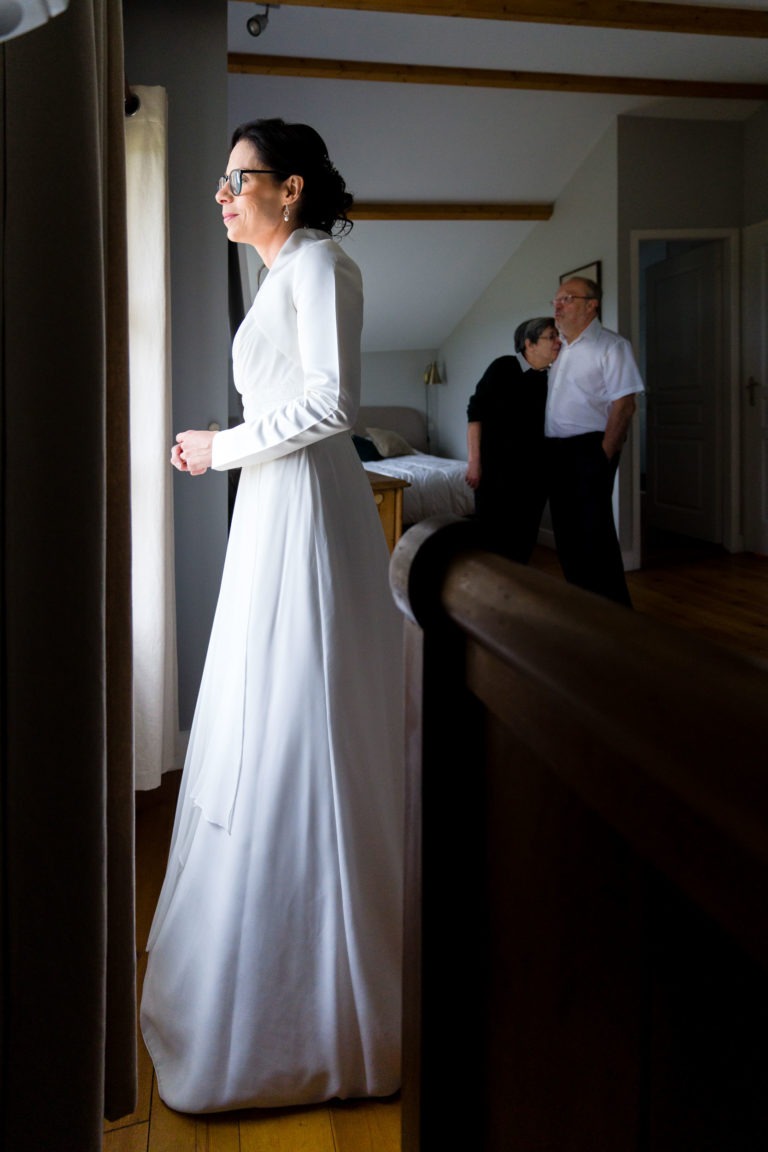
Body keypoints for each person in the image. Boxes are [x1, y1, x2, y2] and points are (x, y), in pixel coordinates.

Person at [140, 119, 404, 1114]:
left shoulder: (321, 265)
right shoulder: (278, 272)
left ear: (289, 189)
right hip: (272, 505)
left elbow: (334, 406)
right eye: (220, 180)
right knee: (261, 713)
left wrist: (221, 446)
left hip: (305, 508)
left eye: (236, 179)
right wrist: (224, 445)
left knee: (301, 717)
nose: (221, 193)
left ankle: (323, 1023)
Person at [545, 277, 644, 606]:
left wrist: (604, 454)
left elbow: (625, 404)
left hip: (590, 448)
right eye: (556, 300)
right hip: (556, 450)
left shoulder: (612, 346)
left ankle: (614, 611)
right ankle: (581, 605)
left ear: (592, 305)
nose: (558, 305)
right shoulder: (555, 347)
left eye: (567, 299)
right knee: (567, 533)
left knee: (593, 532)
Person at [465, 317, 560, 562]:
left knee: (524, 538)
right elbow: (475, 415)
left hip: (534, 473)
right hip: (497, 470)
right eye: (551, 337)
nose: (558, 342)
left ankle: (516, 591)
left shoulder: (553, 377)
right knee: (492, 537)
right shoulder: (503, 368)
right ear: (529, 344)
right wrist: (474, 462)